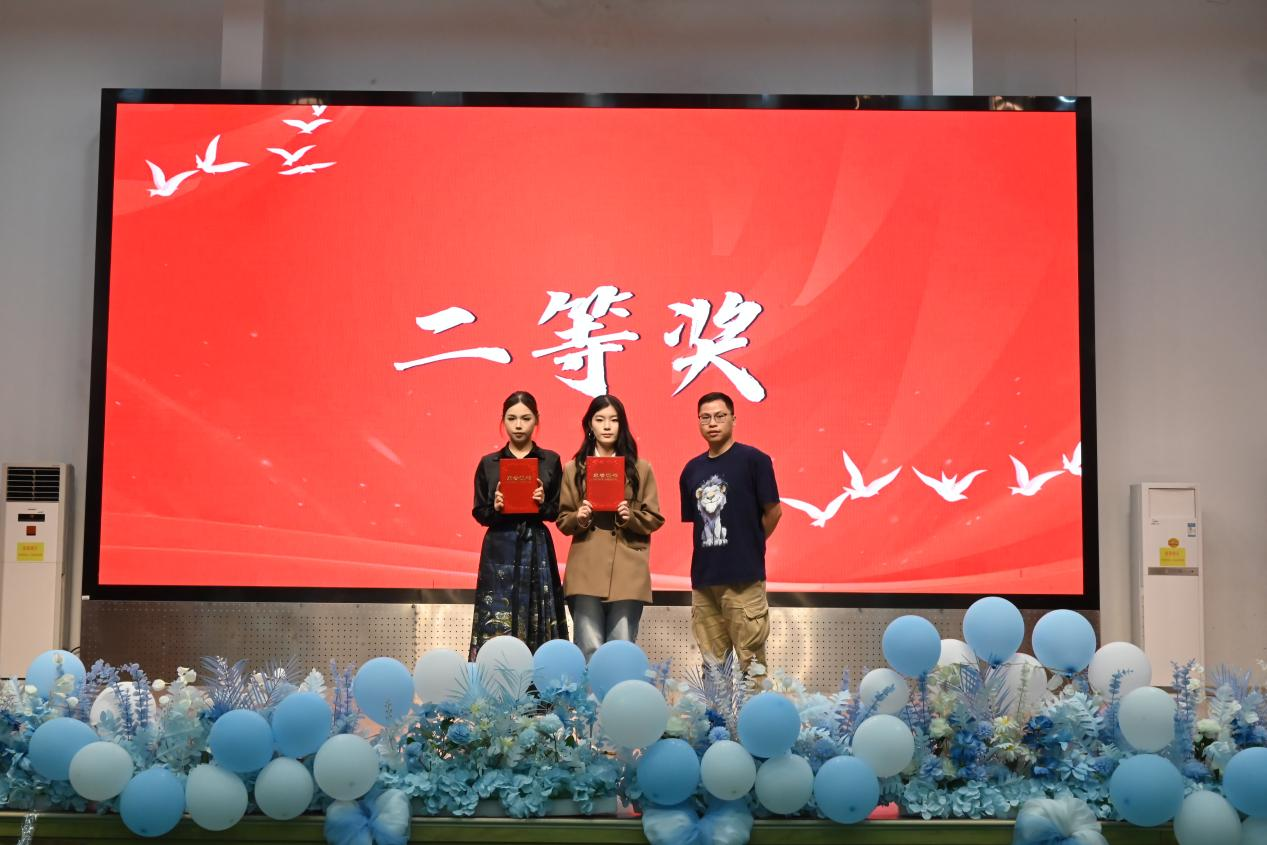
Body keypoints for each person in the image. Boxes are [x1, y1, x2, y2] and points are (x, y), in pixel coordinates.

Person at [679, 391, 781, 671]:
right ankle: (717, 705)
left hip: (744, 580)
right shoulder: (691, 470)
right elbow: (698, 523)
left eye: (720, 416)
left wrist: (750, 543)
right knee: (713, 669)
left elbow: (774, 512)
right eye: (705, 418)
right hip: (704, 581)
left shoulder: (755, 460)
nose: (712, 423)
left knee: (752, 666)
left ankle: (755, 706)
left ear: (733, 419)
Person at [557, 394, 665, 659]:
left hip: (628, 570)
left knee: (621, 651)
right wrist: (580, 517)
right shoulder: (573, 469)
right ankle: (589, 691)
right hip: (585, 569)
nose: (607, 426)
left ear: (622, 424)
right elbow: (563, 520)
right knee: (588, 649)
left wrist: (630, 516)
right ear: (589, 424)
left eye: (614, 420)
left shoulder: (640, 468)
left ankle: (620, 690)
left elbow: (654, 518)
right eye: (600, 419)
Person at [469, 390, 568, 660]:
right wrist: (496, 507)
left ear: (536, 420)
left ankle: (542, 680)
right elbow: (479, 512)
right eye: (512, 418)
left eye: (525, 418)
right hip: (499, 548)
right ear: (503, 420)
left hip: (536, 544)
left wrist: (542, 503)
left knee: (539, 612)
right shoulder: (489, 463)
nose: (519, 425)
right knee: (496, 614)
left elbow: (558, 511)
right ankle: (494, 676)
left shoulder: (550, 460)